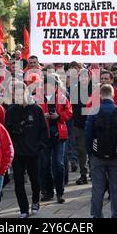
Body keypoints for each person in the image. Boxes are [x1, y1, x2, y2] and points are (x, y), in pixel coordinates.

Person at [5, 81, 49, 218]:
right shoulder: (11, 111)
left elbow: (43, 130)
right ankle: (23, 208)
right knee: (18, 182)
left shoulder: (36, 109)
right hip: (18, 152)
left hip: (33, 151)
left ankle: (35, 201)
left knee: (35, 179)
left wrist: (40, 146)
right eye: (15, 92)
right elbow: (7, 131)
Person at [85, 84, 117, 218]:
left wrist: (90, 153)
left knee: (97, 187)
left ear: (100, 95)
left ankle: (96, 214)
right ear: (113, 94)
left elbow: (88, 134)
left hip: (97, 154)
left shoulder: (93, 111)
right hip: (115, 154)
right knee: (116, 186)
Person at [37, 74, 73, 204]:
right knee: (44, 164)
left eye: (50, 88)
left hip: (59, 134)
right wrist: (43, 116)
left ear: (56, 86)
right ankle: (47, 191)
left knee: (58, 164)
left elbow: (69, 112)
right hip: (44, 136)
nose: (48, 91)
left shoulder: (63, 97)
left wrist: (58, 116)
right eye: (46, 88)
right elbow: (35, 114)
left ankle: (60, 192)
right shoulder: (37, 98)